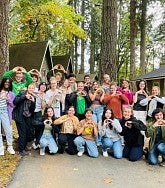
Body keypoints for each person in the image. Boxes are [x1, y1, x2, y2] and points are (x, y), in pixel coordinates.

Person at [13, 84, 36, 156]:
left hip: (28, 117)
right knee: (22, 133)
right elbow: (15, 101)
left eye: (32, 88)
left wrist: (33, 102)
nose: (31, 89)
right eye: (30, 88)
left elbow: (33, 109)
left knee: (27, 132)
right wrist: (24, 97)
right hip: (20, 116)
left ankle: (24, 147)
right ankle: (21, 150)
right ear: (27, 88)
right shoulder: (22, 93)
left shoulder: (33, 96)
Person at [0, 78, 15, 155]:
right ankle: (1, 148)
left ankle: (10, 146)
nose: (7, 83)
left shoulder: (11, 93)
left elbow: (13, 105)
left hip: (5, 112)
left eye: (8, 83)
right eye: (5, 82)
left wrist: (8, 99)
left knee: (8, 130)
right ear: (3, 82)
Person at [32, 82, 47, 149]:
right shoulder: (35, 92)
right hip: (32, 111)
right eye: (42, 86)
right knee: (32, 127)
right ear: (39, 86)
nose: (43, 87)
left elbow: (43, 106)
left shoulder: (45, 95)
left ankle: (37, 142)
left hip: (40, 112)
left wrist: (42, 99)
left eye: (44, 86)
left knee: (39, 127)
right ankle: (34, 140)